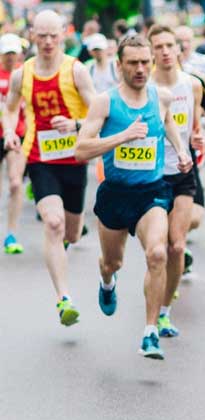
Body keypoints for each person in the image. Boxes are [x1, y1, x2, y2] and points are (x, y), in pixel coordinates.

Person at [75, 34, 193, 359]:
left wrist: (181, 150)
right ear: (119, 66)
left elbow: (168, 122)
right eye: (132, 63)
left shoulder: (162, 97)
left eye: (145, 62)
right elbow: (81, 149)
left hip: (151, 192)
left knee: (157, 254)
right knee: (112, 262)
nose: (140, 69)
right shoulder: (105, 102)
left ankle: (150, 332)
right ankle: (107, 282)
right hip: (115, 194)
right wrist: (122, 137)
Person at [2, 10, 95, 326]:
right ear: (32, 35)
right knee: (53, 224)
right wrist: (11, 131)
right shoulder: (22, 74)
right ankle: (64, 298)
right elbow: (10, 109)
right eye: (41, 36)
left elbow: (99, 110)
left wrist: (75, 124)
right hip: (40, 159)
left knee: (72, 232)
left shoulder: (76, 71)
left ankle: (65, 245)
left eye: (53, 35)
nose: (47, 42)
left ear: (63, 34)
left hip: (75, 159)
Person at [148, 24, 205, 337]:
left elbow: (195, 126)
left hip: (183, 171)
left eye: (170, 45)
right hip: (150, 174)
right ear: (151, 52)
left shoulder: (192, 85)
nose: (166, 51)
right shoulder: (145, 87)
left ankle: (165, 313)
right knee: (156, 249)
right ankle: (153, 300)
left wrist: (199, 137)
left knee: (177, 244)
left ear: (178, 48)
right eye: (159, 47)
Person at [0, 33, 26, 254]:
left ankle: (11, 234)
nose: (10, 57)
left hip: (17, 135)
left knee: (16, 183)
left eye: (13, 53)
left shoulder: (24, 75)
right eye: (6, 53)